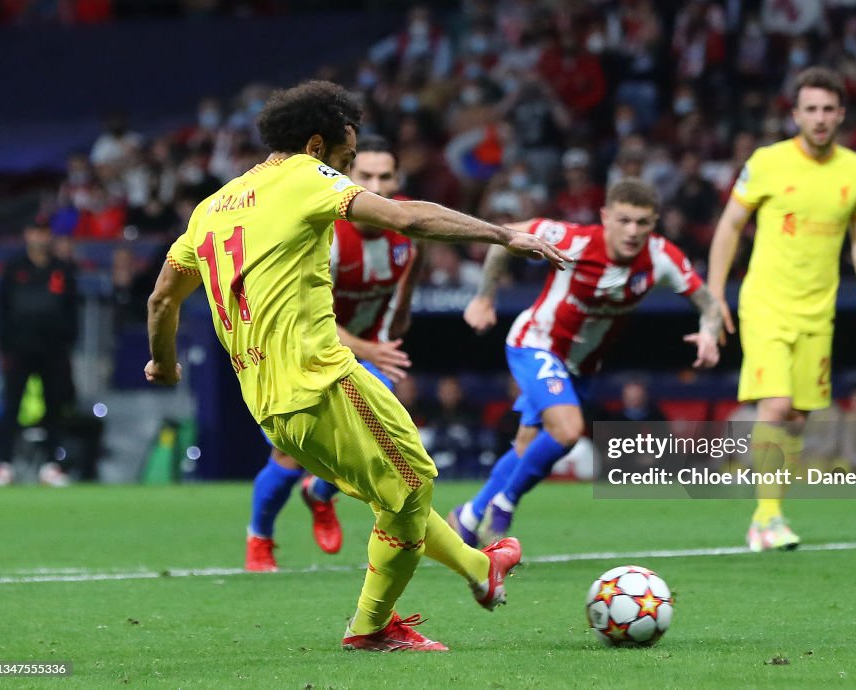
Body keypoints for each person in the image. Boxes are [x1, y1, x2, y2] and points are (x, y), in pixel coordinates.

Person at [145, 80, 570, 652]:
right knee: (413, 483)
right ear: (317, 146)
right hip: (318, 378)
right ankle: (370, 627)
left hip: (266, 402)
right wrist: (501, 234)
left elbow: (162, 300)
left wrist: (164, 364)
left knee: (390, 492)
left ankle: (477, 566)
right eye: (347, 160)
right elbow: (403, 217)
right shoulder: (304, 174)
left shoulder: (210, 209)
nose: (347, 172)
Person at [448, 178, 722, 547]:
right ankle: (502, 504)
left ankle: (467, 518)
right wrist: (484, 298)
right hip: (537, 343)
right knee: (567, 429)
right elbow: (505, 237)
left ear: (654, 223)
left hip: (582, 367)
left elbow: (708, 304)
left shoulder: (661, 257)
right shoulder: (571, 239)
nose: (633, 231)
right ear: (605, 216)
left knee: (529, 445)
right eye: (624, 220)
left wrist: (708, 331)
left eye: (643, 223)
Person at [706, 66, 856, 553]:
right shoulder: (767, 162)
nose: (820, 118)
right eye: (811, 109)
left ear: (841, 114)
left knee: (798, 417)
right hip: (766, 302)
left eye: (828, 109)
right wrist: (715, 292)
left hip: (818, 311)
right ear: (796, 114)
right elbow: (729, 226)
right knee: (777, 406)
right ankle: (767, 518)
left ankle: (771, 510)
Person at [243, 134, 427, 572]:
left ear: (397, 178)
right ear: (348, 176)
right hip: (299, 352)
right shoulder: (326, 233)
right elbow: (307, 318)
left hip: (358, 354)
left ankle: (321, 493)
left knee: (379, 437)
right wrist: (371, 350)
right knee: (290, 455)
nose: (376, 185)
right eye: (366, 176)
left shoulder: (407, 235)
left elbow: (399, 308)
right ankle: (260, 538)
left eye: (386, 176)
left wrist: (388, 336)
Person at [0, 218, 79, 486]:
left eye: (44, 232)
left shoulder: (61, 269)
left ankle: (52, 465)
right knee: (11, 406)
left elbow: (71, 311)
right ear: (27, 234)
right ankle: (3, 465)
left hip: (53, 350)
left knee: (54, 407)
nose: (40, 237)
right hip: (19, 349)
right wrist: (1, 345)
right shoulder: (14, 268)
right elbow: (2, 310)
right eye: (36, 231)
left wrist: (68, 343)